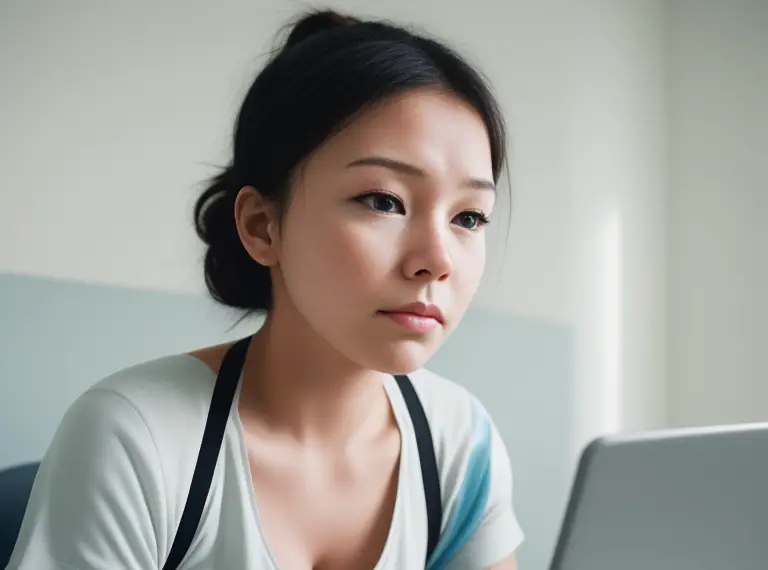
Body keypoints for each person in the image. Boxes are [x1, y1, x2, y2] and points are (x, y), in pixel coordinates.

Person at [6, 9, 523, 570]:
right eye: (383, 200)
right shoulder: (136, 437)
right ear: (261, 225)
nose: (438, 260)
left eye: (470, 217)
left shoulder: (460, 443)